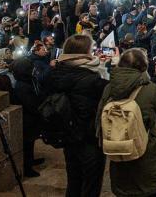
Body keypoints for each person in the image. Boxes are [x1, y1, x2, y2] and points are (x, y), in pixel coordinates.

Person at [97, 48, 156, 197]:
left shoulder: (109, 88)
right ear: (143, 67)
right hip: (147, 155)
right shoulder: (150, 89)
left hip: (119, 151)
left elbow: (99, 118)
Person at [42, 34, 108, 197]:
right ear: (84, 53)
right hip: (88, 136)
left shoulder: (56, 71)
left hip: (68, 134)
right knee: (91, 183)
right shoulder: (90, 78)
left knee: (74, 179)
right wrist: (104, 69)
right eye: (91, 50)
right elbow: (108, 91)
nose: (93, 53)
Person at [10, 57, 44, 177]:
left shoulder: (28, 80)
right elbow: (30, 104)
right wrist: (40, 109)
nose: (34, 69)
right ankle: (27, 167)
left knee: (31, 141)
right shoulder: (22, 85)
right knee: (27, 143)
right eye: (31, 68)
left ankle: (31, 160)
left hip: (32, 119)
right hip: (27, 119)